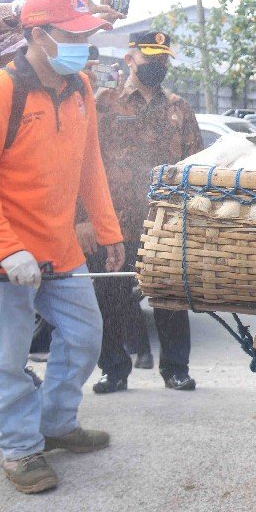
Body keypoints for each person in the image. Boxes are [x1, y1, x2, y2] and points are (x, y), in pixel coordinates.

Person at [0, 0, 125, 493]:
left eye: (85, 36)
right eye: (71, 36)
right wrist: (7, 250)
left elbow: (90, 164)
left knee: (83, 337)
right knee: (8, 358)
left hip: (60, 246)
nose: (81, 46)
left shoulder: (81, 87)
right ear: (35, 35)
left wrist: (108, 226)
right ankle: (22, 451)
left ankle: (56, 423)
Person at [82, 30, 203, 395]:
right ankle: (114, 369)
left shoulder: (178, 108)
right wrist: (81, 219)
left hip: (163, 223)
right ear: (130, 57)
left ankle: (175, 369)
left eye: (163, 58)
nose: (158, 65)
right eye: (151, 57)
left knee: (169, 296)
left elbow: (195, 166)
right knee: (110, 299)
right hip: (112, 221)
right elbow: (83, 163)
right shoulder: (103, 102)